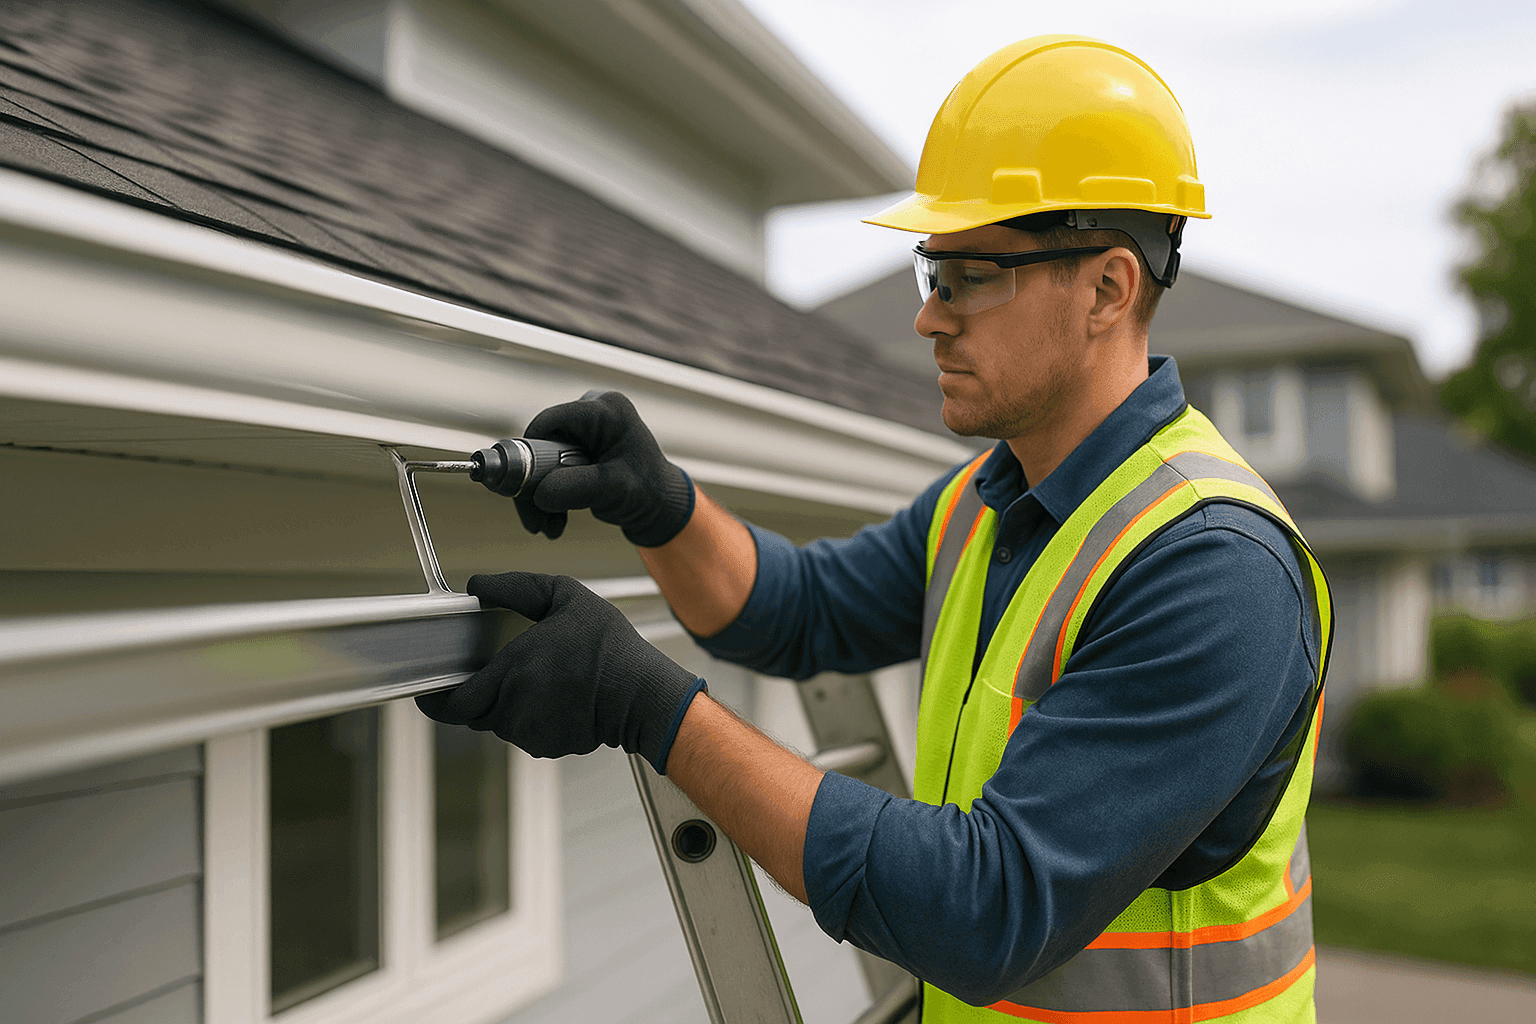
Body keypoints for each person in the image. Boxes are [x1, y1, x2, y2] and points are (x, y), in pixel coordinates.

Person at [418, 35, 1332, 1024]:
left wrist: (647, 708)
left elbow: (989, 909)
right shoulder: (985, 503)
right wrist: (659, 504)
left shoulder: (1211, 568)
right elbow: (796, 612)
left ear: (1108, 289)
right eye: (929, 272)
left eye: (971, 276)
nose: (930, 318)